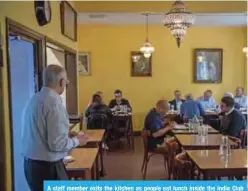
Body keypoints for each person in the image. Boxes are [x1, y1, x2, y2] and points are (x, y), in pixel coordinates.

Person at [21, 65, 89, 191]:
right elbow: (57, 144)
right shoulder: (54, 103)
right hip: (48, 167)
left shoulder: (34, 99)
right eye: (66, 81)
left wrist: (66, 134)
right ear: (62, 82)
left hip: (31, 165)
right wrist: (78, 141)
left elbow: (39, 131)